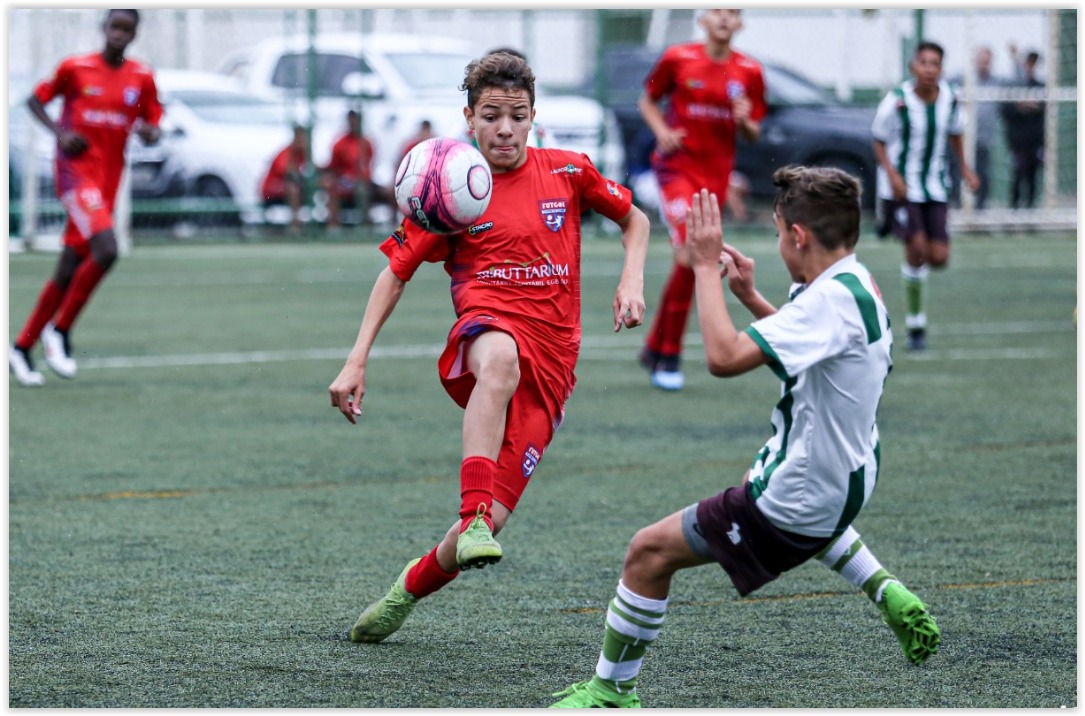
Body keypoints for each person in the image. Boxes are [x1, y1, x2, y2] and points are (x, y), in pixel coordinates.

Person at [550, 168, 940, 709]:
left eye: (779, 233)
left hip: (804, 491)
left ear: (798, 236)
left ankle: (612, 690)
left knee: (647, 553)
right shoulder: (853, 282)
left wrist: (703, 266)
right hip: (850, 472)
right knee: (764, 485)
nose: (778, 243)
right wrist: (752, 296)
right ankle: (884, 588)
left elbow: (723, 357)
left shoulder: (827, 301)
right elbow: (809, 349)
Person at [328, 51, 651, 644]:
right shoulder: (451, 188)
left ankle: (408, 588)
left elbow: (637, 221)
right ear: (469, 118)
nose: (505, 129)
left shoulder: (568, 171)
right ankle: (473, 512)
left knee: (487, 529)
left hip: (553, 365)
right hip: (486, 330)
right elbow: (395, 274)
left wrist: (631, 281)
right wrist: (356, 360)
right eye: (492, 116)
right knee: (500, 360)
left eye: (517, 116)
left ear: (533, 118)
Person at [9, 9, 162, 388]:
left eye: (127, 29)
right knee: (107, 249)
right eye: (114, 26)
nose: (119, 34)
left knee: (69, 266)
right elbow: (34, 101)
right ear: (103, 28)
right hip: (76, 175)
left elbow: (153, 122)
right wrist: (60, 134)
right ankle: (60, 330)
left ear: (135, 34)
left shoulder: (141, 77)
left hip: (108, 180)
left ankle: (21, 347)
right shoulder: (76, 68)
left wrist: (150, 132)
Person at [637, 8, 766, 391]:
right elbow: (647, 101)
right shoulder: (678, 58)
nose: (724, 18)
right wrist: (662, 131)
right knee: (691, 256)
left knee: (691, 260)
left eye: (733, 12)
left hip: (715, 178)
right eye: (717, 11)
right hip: (677, 170)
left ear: (741, 23)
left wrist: (745, 121)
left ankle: (655, 345)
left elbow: (754, 133)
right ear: (703, 19)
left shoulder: (750, 71)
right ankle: (668, 356)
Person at [871, 41, 979, 352]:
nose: (929, 69)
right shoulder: (897, 101)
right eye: (924, 63)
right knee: (917, 249)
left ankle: (900, 235)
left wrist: (965, 168)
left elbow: (955, 133)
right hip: (903, 188)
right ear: (913, 67)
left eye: (935, 64)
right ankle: (916, 325)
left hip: (935, 186)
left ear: (941, 69)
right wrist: (893, 176)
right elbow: (878, 139)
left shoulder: (951, 98)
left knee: (939, 258)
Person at [321, 109, 392, 229]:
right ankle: (334, 227)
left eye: (356, 121)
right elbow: (333, 167)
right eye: (351, 121)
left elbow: (370, 165)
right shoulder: (340, 143)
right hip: (345, 182)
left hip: (365, 182)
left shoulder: (367, 143)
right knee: (337, 190)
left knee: (388, 192)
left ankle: (390, 227)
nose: (354, 123)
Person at [1000, 49, 1044, 209]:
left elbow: (1043, 109)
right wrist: (1021, 106)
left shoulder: (1040, 86)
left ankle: (1030, 209)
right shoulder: (1012, 87)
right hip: (1017, 142)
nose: (1031, 67)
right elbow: (1006, 110)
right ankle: (1014, 208)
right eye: (1029, 63)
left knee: (1032, 177)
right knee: (1017, 175)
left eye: (1034, 63)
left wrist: (1028, 105)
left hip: (1035, 141)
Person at [260, 124, 310, 232]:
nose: (302, 142)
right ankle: (295, 225)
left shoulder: (303, 155)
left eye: (304, 139)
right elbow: (286, 173)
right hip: (271, 192)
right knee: (293, 189)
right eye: (300, 139)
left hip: (286, 191)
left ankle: (324, 226)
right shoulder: (286, 153)